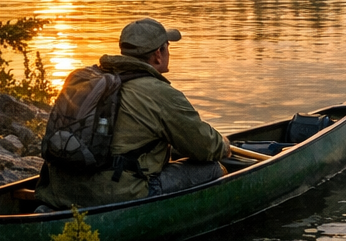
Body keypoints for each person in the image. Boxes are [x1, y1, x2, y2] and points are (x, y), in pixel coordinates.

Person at [36, 17, 229, 209]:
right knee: (211, 169)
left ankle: (49, 213)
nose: (169, 51)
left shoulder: (87, 79)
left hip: (59, 190)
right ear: (158, 55)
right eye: (167, 46)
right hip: (114, 194)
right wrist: (223, 145)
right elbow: (205, 147)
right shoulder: (161, 94)